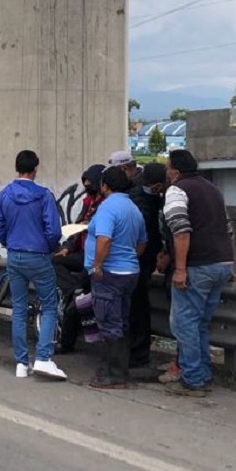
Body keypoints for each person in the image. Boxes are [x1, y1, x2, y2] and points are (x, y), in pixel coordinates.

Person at [162, 149, 234, 397]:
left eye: (168, 168)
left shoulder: (177, 190)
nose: (167, 172)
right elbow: (227, 228)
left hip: (197, 266)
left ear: (176, 171)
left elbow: (181, 230)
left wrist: (180, 269)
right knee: (201, 323)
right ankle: (203, 373)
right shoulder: (213, 189)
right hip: (222, 263)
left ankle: (193, 378)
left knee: (184, 324)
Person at [0, 150, 67, 381]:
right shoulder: (44, 195)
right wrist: (51, 246)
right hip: (39, 255)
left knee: (19, 308)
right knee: (50, 305)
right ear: (35, 169)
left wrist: (9, 241)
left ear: (17, 167)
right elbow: (53, 230)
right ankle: (43, 357)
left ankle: (21, 363)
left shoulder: (4, 195)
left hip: (14, 255)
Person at [84, 166, 148, 389]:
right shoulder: (132, 207)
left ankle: (114, 374)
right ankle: (119, 369)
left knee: (108, 322)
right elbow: (142, 242)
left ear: (105, 186)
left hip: (109, 273)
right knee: (121, 320)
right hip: (130, 272)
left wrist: (98, 264)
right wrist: (128, 256)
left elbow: (104, 239)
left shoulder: (107, 208)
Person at [55, 164, 105, 353]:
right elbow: (76, 228)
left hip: (96, 261)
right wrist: (67, 247)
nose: (87, 185)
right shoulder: (88, 203)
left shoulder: (106, 205)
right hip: (83, 255)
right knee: (56, 260)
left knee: (76, 306)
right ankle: (72, 288)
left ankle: (72, 343)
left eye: (90, 182)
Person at [128, 162, 167, 375]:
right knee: (137, 304)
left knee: (137, 304)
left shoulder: (137, 196)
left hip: (141, 257)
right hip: (143, 256)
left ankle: (138, 351)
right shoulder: (157, 198)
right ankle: (138, 350)